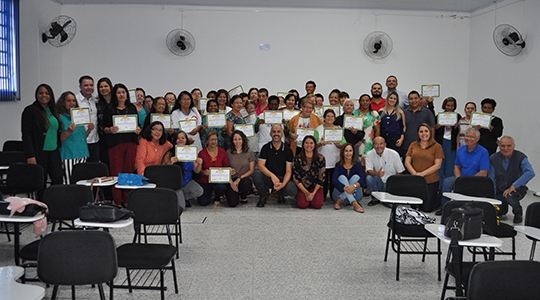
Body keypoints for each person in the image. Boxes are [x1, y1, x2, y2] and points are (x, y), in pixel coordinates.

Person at [101, 83, 142, 206]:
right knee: (116, 172)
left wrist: (137, 129)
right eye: (118, 93)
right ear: (115, 95)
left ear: (127, 94)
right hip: (115, 145)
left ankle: (128, 200)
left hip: (130, 143)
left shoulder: (132, 108)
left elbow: (137, 125)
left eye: (123, 92)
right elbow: (103, 127)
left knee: (129, 171)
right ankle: (118, 201)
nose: (121, 95)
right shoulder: (109, 109)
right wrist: (110, 129)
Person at [21, 84, 63, 200]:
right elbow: (26, 135)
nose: (44, 95)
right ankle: (41, 208)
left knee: (58, 179)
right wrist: (30, 155)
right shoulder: (30, 111)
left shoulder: (53, 110)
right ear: (36, 95)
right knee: (41, 182)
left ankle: (54, 205)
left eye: (47, 93)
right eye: (41, 93)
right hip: (39, 152)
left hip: (53, 151)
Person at [437, 127, 490, 215]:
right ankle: (444, 208)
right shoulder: (461, 149)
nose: (468, 139)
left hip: (477, 180)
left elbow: (484, 172)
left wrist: (468, 181)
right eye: (467, 136)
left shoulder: (483, 152)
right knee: (446, 182)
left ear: (477, 139)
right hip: (462, 177)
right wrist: (459, 179)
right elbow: (457, 166)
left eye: (472, 137)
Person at [489, 136, 535, 223]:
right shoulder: (493, 158)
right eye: (502, 146)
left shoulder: (521, 157)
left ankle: (518, 213)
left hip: (517, 189)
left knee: (510, 198)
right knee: (498, 211)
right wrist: (492, 193)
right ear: (499, 147)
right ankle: (503, 208)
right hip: (500, 189)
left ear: (514, 146)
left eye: (509, 145)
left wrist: (514, 185)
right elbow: (491, 177)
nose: (505, 148)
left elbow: (530, 173)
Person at [253, 124, 297, 207]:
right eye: (274, 132)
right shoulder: (265, 148)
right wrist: (272, 176)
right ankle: (263, 196)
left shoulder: (288, 150)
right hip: (269, 177)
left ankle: (280, 193)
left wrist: (283, 184)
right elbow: (260, 166)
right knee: (257, 174)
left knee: (292, 190)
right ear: (270, 134)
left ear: (282, 134)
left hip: (282, 178)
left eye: (278, 131)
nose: (276, 134)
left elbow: (288, 171)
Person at [404, 123, 443, 212]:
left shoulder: (437, 146)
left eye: (426, 131)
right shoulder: (413, 145)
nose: (423, 134)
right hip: (416, 180)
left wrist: (422, 174)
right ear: (418, 133)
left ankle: (438, 197)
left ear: (430, 132)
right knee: (415, 208)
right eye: (421, 131)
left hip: (430, 181)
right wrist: (415, 174)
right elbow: (407, 162)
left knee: (427, 209)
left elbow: (438, 165)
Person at [57, 91, 92, 184]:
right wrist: (68, 131)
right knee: (70, 182)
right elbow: (58, 139)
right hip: (69, 154)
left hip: (82, 152)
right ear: (63, 102)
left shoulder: (78, 116)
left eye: (73, 101)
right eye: (68, 101)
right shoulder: (59, 118)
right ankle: (69, 198)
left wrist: (89, 130)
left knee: (82, 181)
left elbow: (81, 136)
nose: (72, 103)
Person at [162, 131, 203, 208]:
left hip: (188, 182)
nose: (180, 140)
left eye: (183, 138)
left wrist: (200, 163)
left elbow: (197, 171)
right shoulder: (170, 153)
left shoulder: (192, 152)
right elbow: (164, 170)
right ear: (175, 140)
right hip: (176, 184)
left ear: (186, 140)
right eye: (178, 138)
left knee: (199, 191)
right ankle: (179, 198)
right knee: (181, 207)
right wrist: (170, 162)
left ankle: (183, 197)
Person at [365, 137, 405, 206]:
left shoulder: (394, 154)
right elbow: (369, 170)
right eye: (376, 144)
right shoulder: (369, 154)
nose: (379, 146)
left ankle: (386, 198)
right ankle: (375, 199)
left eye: (381, 144)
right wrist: (377, 173)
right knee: (369, 178)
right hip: (379, 181)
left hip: (390, 183)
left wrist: (394, 187)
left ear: (385, 144)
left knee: (391, 206)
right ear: (373, 145)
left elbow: (400, 172)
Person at [196, 130, 230, 206]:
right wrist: (204, 172)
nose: (213, 141)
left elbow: (226, 166)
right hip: (205, 180)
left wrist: (230, 171)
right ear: (207, 141)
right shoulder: (202, 153)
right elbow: (198, 171)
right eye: (211, 139)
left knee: (221, 187)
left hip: (219, 180)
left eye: (215, 139)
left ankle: (217, 196)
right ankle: (209, 193)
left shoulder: (222, 152)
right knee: (203, 202)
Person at [315, 109, 343, 199]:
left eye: (332, 116)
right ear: (324, 118)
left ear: (334, 118)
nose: (330, 118)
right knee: (323, 180)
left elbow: (344, 144)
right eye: (328, 116)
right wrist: (319, 144)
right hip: (322, 160)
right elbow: (312, 144)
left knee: (333, 180)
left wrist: (340, 145)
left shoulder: (338, 129)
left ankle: (333, 196)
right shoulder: (318, 129)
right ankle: (322, 196)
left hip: (335, 159)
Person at [434, 97, 462, 186]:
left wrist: (457, 126)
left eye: (452, 106)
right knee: (440, 165)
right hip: (441, 142)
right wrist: (436, 127)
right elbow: (433, 129)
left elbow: (460, 132)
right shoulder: (439, 116)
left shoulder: (457, 116)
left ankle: (448, 185)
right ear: (444, 105)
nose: (450, 107)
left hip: (452, 142)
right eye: (448, 105)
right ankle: (438, 186)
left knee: (450, 165)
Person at [293, 136, 326, 209]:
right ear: (303, 144)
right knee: (302, 204)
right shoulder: (297, 158)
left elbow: (322, 177)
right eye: (306, 143)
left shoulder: (321, 158)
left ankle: (313, 197)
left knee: (318, 205)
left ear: (315, 145)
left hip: (315, 187)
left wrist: (313, 194)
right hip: (303, 187)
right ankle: (301, 196)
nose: (309, 145)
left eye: (311, 143)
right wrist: (307, 193)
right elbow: (296, 178)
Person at [332, 143, 365, 213]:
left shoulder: (357, 165)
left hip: (355, 195)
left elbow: (362, 179)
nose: (348, 153)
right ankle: (354, 203)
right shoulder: (338, 165)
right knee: (342, 177)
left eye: (350, 151)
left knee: (356, 177)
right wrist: (344, 188)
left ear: (353, 152)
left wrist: (353, 186)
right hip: (338, 194)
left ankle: (340, 200)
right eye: (346, 151)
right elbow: (334, 180)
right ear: (343, 153)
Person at [226, 130, 256, 207]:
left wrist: (239, 179)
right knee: (232, 204)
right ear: (232, 141)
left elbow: (251, 170)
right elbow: (225, 168)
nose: (237, 141)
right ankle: (234, 192)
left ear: (243, 140)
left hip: (244, 178)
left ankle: (243, 196)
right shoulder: (228, 153)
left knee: (246, 183)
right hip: (232, 179)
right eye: (235, 139)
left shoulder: (249, 152)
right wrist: (231, 182)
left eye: (239, 139)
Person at [76, 75, 99, 162]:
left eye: (91, 85)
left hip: (95, 141)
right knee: (82, 170)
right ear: (80, 86)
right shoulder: (75, 101)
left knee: (94, 169)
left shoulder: (95, 100)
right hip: (81, 141)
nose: (89, 87)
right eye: (86, 85)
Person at [354, 94, 380, 166]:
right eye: (363, 101)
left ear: (370, 102)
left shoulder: (374, 114)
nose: (365, 102)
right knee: (357, 163)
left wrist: (376, 143)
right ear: (360, 102)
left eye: (367, 100)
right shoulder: (355, 113)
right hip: (357, 142)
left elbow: (377, 129)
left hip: (370, 142)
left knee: (369, 163)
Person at [379, 91, 405, 157]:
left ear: (397, 101)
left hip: (395, 139)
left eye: (394, 99)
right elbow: (378, 126)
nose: (392, 100)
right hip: (383, 139)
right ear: (387, 99)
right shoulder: (381, 112)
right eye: (391, 98)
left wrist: (401, 139)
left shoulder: (400, 112)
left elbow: (403, 127)